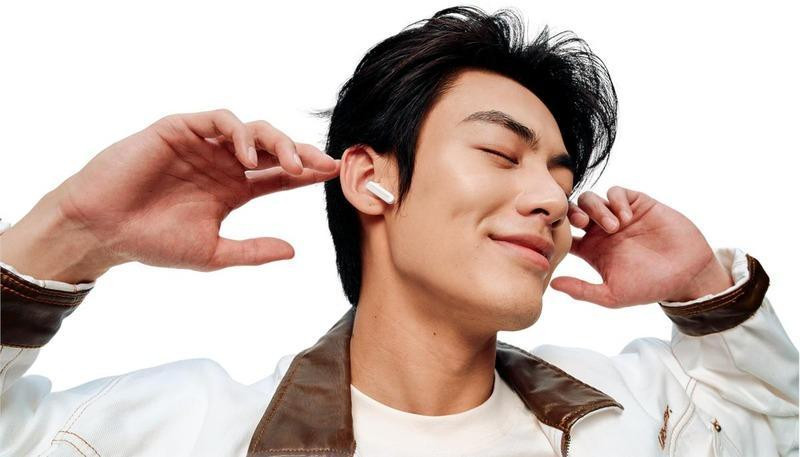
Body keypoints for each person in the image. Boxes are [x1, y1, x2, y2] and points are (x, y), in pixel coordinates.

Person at [0, 6, 796, 457]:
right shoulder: (187, 430)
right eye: (499, 153)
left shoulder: (638, 411)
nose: (552, 201)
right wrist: (72, 230)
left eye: (561, 176)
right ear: (369, 179)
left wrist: (703, 289)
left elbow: (773, 421)